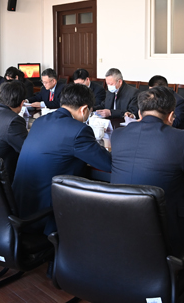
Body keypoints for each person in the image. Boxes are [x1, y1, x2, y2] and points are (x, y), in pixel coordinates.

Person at [111, 87, 184, 254]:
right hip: (165, 230)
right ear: (171, 116)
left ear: (140, 113)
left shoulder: (118, 134)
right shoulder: (180, 138)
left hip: (119, 223)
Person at [13, 83, 112, 234]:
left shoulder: (40, 121)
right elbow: (107, 163)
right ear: (84, 109)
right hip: (46, 215)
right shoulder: (79, 130)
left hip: (19, 207)